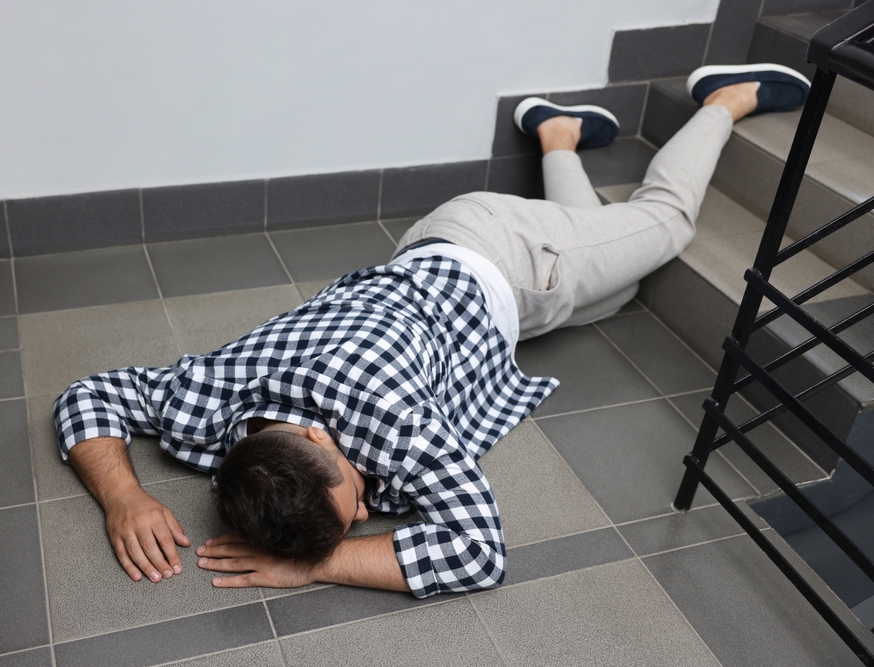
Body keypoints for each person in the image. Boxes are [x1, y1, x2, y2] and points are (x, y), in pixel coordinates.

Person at [54, 63, 811, 598]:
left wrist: (321, 565)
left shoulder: (393, 423)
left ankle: (723, 97)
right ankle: (557, 135)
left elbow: (480, 551)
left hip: (515, 261)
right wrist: (122, 495)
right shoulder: (215, 399)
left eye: (350, 498)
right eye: (354, 514)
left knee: (662, 226)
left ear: (320, 438)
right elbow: (91, 394)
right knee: (624, 287)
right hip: (442, 251)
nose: (361, 513)